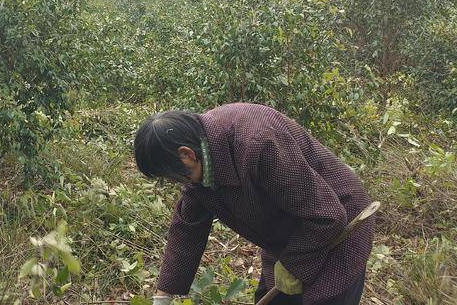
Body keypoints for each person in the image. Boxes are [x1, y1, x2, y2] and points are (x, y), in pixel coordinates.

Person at [134, 103, 374, 305]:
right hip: (288, 235)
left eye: (174, 177)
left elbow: (328, 215)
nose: (178, 183)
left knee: (323, 298)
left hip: (338, 227)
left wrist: (293, 264)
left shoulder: (257, 143)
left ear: (187, 154)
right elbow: (188, 227)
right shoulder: (200, 160)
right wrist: (163, 296)